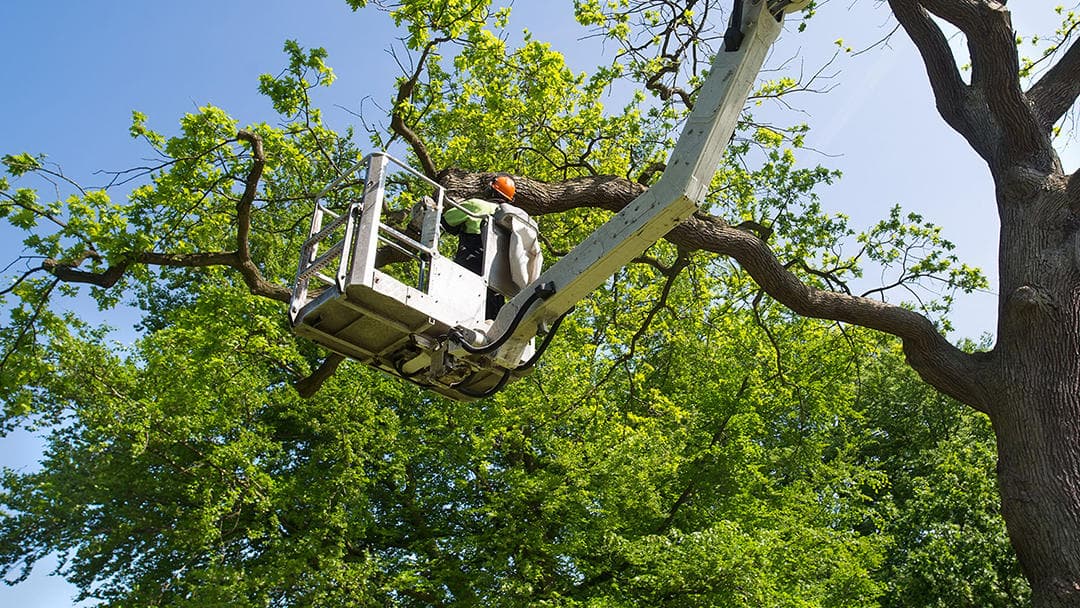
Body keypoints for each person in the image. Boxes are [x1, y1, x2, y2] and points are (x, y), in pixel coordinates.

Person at [442, 175, 517, 319]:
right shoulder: (513, 221)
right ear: (509, 199)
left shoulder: (476, 205)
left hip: (470, 270)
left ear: (490, 189)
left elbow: (446, 221)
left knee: (457, 317)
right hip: (497, 284)